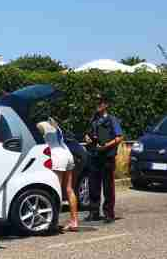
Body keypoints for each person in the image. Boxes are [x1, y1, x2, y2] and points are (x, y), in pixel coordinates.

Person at [84, 94, 123, 223]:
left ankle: (108, 214)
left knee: (108, 187)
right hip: (94, 155)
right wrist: (87, 138)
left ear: (106, 105)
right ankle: (93, 212)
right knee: (93, 185)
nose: (97, 105)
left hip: (107, 156)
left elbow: (119, 138)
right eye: (96, 103)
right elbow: (88, 134)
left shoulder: (112, 120)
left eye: (99, 103)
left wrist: (106, 145)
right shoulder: (93, 120)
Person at [37, 118, 78, 231]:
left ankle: (54, 222)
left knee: (56, 190)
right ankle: (74, 221)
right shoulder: (56, 125)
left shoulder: (41, 125)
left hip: (57, 156)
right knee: (69, 189)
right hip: (67, 154)